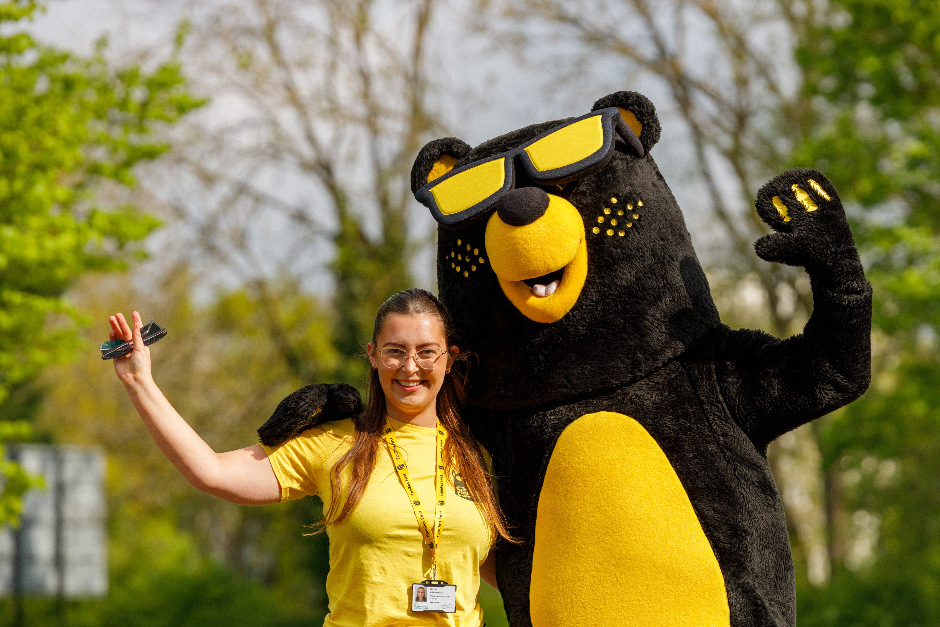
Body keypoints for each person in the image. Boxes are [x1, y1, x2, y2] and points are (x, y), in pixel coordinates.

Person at [108, 288, 513, 627]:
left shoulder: (476, 451)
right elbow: (211, 471)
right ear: (373, 355)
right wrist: (139, 381)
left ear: (449, 357)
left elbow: (505, 571)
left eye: (426, 352)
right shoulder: (335, 443)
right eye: (395, 351)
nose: (410, 367)